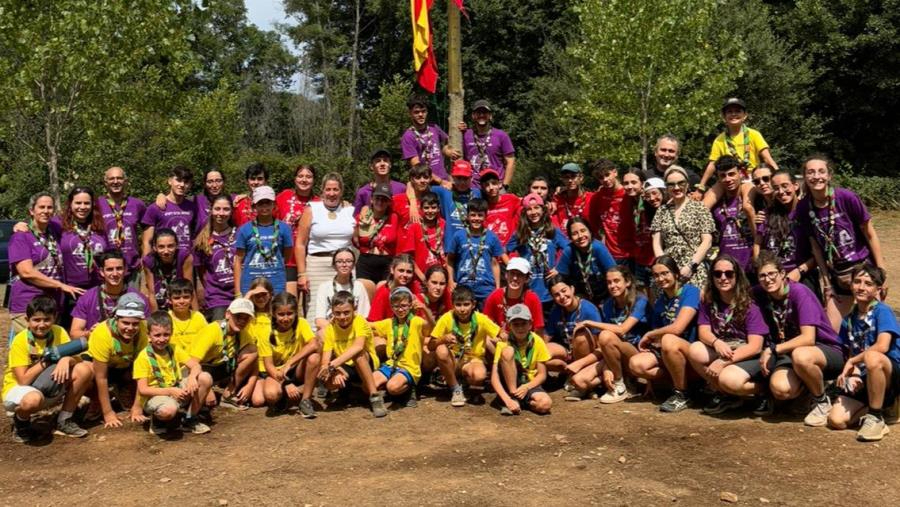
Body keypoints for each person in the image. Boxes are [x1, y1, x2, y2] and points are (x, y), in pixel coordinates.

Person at [745, 252, 845, 425]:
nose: (767, 279)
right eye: (762, 276)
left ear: (782, 274)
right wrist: (706, 294)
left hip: (824, 350)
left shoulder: (799, 293)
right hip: (789, 352)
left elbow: (808, 338)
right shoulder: (760, 293)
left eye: (771, 274)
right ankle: (808, 390)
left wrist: (773, 349)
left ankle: (821, 401)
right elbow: (738, 295)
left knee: (802, 355)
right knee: (781, 390)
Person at [797, 154, 886, 330]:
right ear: (805, 177)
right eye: (811, 172)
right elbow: (816, 247)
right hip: (838, 275)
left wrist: (881, 272)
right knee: (833, 331)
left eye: (821, 171)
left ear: (829, 175)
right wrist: (827, 282)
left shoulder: (846, 197)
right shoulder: (803, 207)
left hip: (863, 270)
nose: (816, 176)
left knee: (872, 328)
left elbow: (870, 233)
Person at [4, 296, 93, 442]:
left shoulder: (59, 332)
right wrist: (48, 360)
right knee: (32, 400)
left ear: (54, 318)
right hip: (21, 389)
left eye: (46, 319)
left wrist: (66, 359)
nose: (42, 324)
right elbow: (23, 380)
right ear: (27, 320)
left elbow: (76, 357)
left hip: (47, 384)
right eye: (36, 320)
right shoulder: (20, 340)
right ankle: (21, 421)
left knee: (84, 369)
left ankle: (64, 420)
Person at [687, 255, 768, 415]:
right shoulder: (708, 301)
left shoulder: (749, 305)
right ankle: (726, 395)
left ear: (737, 276)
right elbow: (704, 332)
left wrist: (723, 362)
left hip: (747, 353)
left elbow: (755, 346)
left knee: (728, 379)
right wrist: (716, 342)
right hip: (723, 346)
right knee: (695, 350)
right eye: (718, 274)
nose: (723, 278)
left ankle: (764, 391)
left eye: (729, 274)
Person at [828, 265, 900, 441]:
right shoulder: (848, 320)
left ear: (878, 289)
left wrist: (853, 362)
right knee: (836, 420)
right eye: (857, 282)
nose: (861, 287)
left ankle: (876, 417)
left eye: (868, 283)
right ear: (851, 285)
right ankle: (884, 406)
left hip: (890, 372)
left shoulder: (882, 311)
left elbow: (882, 346)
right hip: (866, 374)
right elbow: (849, 351)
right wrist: (853, 373)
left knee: (872, 356)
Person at [566, 266, 649, 404]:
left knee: (605, 335)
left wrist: (589, 323)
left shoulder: (640, 300)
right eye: (609, 282)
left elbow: (622, 330)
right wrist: (605, 367)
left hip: (635, 354)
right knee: (579, 380)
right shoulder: (608, 305)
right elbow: (602, 347)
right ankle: (614, 383)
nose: (612, 285)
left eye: (617, 281)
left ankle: (619, 383)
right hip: (613, 356)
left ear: (627, 282)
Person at [629, 255, 701, 412]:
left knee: (669, 339)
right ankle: (682, 383)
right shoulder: (660, 301)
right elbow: (657, 338)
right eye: (656, 275)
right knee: (636, 364)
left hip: (692, 351)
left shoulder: (690, 292)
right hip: (668, 354)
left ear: (676, 273)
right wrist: (649, 380)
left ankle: (682, 394)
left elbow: (678, 328)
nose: (661, 278)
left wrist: (650, 334)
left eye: (665, 273)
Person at [8, 192, 82, 339]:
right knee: (30, 351)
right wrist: (60, 285)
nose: (46, 211)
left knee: (51, 351)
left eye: (49, 207)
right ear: (31, 210)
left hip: (53, 304)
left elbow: (76, 214)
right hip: (28, 305)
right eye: (41, 207)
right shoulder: (21, 237)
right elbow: (26, 272)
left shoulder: (53, 229)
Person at [134, 311, 211, 435]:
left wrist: (191, 377)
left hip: (175, 388)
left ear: (171, 334)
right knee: (168, 410)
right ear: (149, 336)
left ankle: (189, 418)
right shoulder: (143, 358)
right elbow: (143, 390)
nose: (162, 339)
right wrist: (170, 391)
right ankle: (158, 421)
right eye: (157, 335)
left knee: (205, 378)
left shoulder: (174, 349)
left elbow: (195, 365)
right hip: (155, 395)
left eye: (166, 335)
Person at [295, 172, 355, 319]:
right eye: (328, 189)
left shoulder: (350, 210)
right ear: (322, 190)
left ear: (341, 191)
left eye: (336, 189)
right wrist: (302, 274)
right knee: (315, 311)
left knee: (345, 309)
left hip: (345, 265)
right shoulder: (311, 209)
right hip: (317, 266)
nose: (332, 193)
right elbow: (300, 244)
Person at [429, 285, 501, 407]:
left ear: (473, 304)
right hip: (454, 359)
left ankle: (459, 380)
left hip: (473, 359)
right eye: (458, 304)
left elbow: (500, 334)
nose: (462, 309)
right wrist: (443, 339)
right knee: (441, 350)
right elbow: (431, 345)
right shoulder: (447, 318)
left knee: (479, 376)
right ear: (453, 305)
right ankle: (455, 388)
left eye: (466, 304)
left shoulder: (481, 319)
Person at [318, 291, 387, 418]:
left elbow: (358, 346)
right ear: (332, 312)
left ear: (354, 309)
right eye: (337, 313)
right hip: (344, 365)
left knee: (358, 355)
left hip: (366, 362)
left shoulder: (360, 321)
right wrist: (334, 370)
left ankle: (375, 396)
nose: (342, 317)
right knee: (328, 381)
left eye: (346, 312)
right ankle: (346, 391)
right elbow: (325, 360)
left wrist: (332, 365)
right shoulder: (330, 328)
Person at [698, 98, 779, 206]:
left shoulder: (753, 134)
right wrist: (701, 187)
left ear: (745, 115)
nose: (733, 114)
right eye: (729, 112)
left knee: (747, 206)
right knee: (704, 205)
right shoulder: (719, 139)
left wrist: (779, 176)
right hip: (728, 178)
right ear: (724, 117)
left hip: (750, 177)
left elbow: (767, 158)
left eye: (737, 111)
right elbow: (712, 164)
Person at [87, 292, 150, 429]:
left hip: (124, 367)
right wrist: (108, 413)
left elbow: (143, 371)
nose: (130, 328)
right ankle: (97, 400)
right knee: (87, 372)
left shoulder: (143, 330)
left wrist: (137, 406)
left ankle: (123, 389)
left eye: (135, 324)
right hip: (101, 369)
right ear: (116, 318)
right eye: (125, 323)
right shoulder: (102, 334)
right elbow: (101, 377)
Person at [252, 292, 320, 417]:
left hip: (295, 368)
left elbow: (314, 344)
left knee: (314, 357)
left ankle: (305, 400)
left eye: (290, 313)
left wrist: (290, 362)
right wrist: (286, 383)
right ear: (273, 314)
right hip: (276, 373)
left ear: (296, 313)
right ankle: (291, 391)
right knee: (270, 395)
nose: (286, 318)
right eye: (281, 314)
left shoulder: (302, 323)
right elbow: (269, 366)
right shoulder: (266, 331)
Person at [184, 298, 255, 415]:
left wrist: (250, 383)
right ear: (228, 314)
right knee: (205, 401)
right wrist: (208, 388)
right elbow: (192, 362)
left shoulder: (243, 333)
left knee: (252, 350)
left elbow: (254, 360)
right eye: (238, 316)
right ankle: (189, 417)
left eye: (246, 318)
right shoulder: (212, 331)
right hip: (197, 370)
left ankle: (228, 394)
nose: (242, 321)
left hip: (220, 367)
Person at [753, 170, 818, 293]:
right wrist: (760, 269)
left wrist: (800, 271)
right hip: (772, 277)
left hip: (802, 275)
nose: (781, 192)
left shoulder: (807, 212)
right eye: (776, 188)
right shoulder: (767, 214)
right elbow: (757, 244)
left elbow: (818, 251)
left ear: (795, 186)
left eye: (785, 186)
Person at [651, 166, 716, 288]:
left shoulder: (700, 208)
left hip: (694, 270)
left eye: (681, 183)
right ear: (666, 187)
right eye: (671, 184)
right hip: (668, 273)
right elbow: (656, 242)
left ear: (687, 184)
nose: (676, 188)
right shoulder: (661, 211)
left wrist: (691, 266)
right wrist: (664, 268)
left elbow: (707, 241)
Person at [506, 193, 567, 317]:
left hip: (549, 291)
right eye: (529, 209)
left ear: (543, 209)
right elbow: (504, 251)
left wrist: (559, 268)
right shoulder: (520, 233)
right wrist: (514, 270)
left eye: (536, 208)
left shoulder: (552, 231)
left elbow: (569, 249)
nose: (533, 212)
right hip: (528, 290)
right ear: (524, 212)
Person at [70, 251, 150, 339]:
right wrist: (89, 333)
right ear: (101, 272)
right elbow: (74, 334)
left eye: (119, 268)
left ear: (125, 270)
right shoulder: (87, 298)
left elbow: (147, 332)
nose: (115, 274)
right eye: (110, 269)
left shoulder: (139, 299)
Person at [491, 304, 553, 416]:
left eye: (524, 323)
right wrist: (507, 399)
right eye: (516, 324)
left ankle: (520, 402)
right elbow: (494, 377)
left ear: (530, 324)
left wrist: (526, 387)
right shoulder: (503, 343)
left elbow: (542, 374)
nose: (520, 328)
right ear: (509, 326)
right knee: (508, 351)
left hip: (529, 382)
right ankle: (512, 397)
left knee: (545, 404)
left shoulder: (537, 341)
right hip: (508, 381)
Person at [371, 287, 427, 407]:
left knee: (392, 387)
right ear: (391, 307)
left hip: (409, 367)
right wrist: (352, 318)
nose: (400, 309)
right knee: (369, 385)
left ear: (410, 305)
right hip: (392, 364)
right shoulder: (389, 323)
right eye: (396, 306)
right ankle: (392, 387)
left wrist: (425, 310)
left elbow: (432, 328)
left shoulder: (416, 321)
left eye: (404, 306)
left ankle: (409, 389)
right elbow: (369, 325)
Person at [234, 185, 294, 296]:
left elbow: (287, 255)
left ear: (274, 205)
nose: (265, 206)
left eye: (268, 202)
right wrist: (238, 292)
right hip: (250, 284)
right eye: (261, 203)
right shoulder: (244, 229)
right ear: (254, 206)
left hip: (276, 284)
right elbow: (238, 260)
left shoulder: (284, 228)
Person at [543, 276, 603, 387]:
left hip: (588, 355)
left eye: (564, 291)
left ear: (572, 289)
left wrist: (581, 363)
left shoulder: (589, 309)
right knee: (543, 351)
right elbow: (545, 339)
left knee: (581, 335)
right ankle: (567, 373)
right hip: (568, 352)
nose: (562, 297)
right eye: (556, 295)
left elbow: (601, 347)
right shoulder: (556, 311)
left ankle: (581, 373)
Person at [446, 198, 504, 306]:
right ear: (467, 216)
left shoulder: (492, 237)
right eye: (473, 215)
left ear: (485, 216)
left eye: (480, 215)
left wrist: (497, 287)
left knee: (486, 320)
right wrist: (450, 280)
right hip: (464, 287)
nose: (476, 218)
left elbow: (495, 264)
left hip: (486, 289)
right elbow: (450, 259)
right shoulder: (459, 236)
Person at [97, 166, 147, 284]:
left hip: (133, 266)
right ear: (105, 182)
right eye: (112, 179)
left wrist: (144, 255)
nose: (115, 182)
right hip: (107, 267)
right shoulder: (97, 205)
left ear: (126, 181)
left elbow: (148, 229)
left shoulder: (137, 204)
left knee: (132, 301)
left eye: (119, 178)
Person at [275, 164, 319, 296]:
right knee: (289, 303)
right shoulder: (283, 197)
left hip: (309, 260)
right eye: (300, 176)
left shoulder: (319, 203)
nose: (304, 180)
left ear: (314, 180)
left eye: (308, 177)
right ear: (295, 179)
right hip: (286, 259)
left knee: (310, 305)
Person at [193, 195, 237, 321]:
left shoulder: (240, 234)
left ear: (232, 211)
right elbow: (202, 273)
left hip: (239, 293)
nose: (221, 213)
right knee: (220, 335)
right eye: (217, 209)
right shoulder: (202, 240)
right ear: (211, 210)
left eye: (226, 209)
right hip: (217, 298)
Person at [709, 156, 756, 272]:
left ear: (740, 173)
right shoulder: (716, 202)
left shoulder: (752, 197)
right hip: (727, 269)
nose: (728, 179)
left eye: (731, 174)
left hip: (751, 266)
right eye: (723, 176)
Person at [401, 94, 459, 185]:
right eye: (416, 112)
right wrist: (440, 181)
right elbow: (417, 166)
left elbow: (445, 144)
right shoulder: (408, 136)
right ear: (410, 113)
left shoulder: (434, 127)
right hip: (425, 183)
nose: (420, 115)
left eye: (423, 111)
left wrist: (448, 151)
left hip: (444, 178)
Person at [58, 186, 108, 293]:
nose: (82, 207)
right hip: (70, 289)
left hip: (98, 286)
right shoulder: (58, 223)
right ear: (70, 204)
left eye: (86, 203)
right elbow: (38, 225)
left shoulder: (100, 225)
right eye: (78, 203)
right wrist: (22, 225)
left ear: (92, 205)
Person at [556, 217, 616, 303]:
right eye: (575, 233)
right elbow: (561, 278)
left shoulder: (598, 248)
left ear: (590, 232)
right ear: (570, 237)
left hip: (605, 296)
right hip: (580, 298)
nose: (580, 236)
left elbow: (614, 273)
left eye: (583, 231)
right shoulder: (569, 251)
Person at [141, 165, 197, 258]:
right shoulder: (155, 207)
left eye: (186, 182)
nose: (182, 185)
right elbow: (147, 241)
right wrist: (146, 264)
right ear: (170, 181)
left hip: (186, 261)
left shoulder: (193, 207)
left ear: (190, 185)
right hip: (163, 261)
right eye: (178, 180)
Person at [314, 248, 371, 334]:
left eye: (348, 261)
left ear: (353, 265)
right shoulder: (324, 287)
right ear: (334, 265)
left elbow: (364, 317)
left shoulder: (359, 286)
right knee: (321, 333)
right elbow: (319, 320)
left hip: (354, 330)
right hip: (332, 329)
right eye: (339, 261)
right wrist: (339, 331)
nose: (344, 265)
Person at [587, 159, 634, 264]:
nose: (605, 179)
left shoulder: (629, 194)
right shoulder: (597, 198)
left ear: (615, 172)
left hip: (632, 253)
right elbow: (593, 227)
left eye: (607, 174)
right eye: (601, 177)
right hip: (610, 254)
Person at [460, 99, 516, 188]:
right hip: (473, 186)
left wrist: (505, 185)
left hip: (495, 186)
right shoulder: (465, 134)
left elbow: (510, 161)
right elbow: (449, 148)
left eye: (485, 112)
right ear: (473, 116)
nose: (481, 115)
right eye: (478, 113)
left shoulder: (501, 135)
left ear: (490, 116)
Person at [483, 257, 545, 334]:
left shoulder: (532, 298)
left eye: (520, 275)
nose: (515, 278)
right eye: (512, 273)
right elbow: (485, 325)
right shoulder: (495, 296)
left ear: (526, 279)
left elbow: (538, 329)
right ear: (506, 275)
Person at [353, 182, 400, 284]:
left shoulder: (394, 217)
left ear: (389, 202)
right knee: (365, 296)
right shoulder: (362, 217)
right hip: (366, 261)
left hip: (386, 263)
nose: (380, 202)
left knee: (383, 294)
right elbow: (354, 240)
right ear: (371, 199)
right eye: (377, 198)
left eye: (384, 199)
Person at [625, 172, 664, 291]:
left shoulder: (663, 208)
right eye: (626, 183)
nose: (630, 186)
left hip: (656, 259)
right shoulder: (633, 202)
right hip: (640, 259)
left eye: (634, 182)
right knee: (642, 295)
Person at [424, 159, 482, 241]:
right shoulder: (444, 191)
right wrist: (412, 202)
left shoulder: (477, 193)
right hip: (451, 243)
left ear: (471, 178)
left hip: (472, 242)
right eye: (458, 178)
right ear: (452, 177)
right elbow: (416, 185)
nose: (462, 182)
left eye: (465, 178)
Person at [142, 228, 191, 312]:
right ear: (154, 247)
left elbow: (189, 287)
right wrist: (157, 318)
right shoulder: (149, 261)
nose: (166, 251)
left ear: (177, 245)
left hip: (180, 301)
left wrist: (196, 314)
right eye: (161, 247)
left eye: (170, 246)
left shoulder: (184, 257)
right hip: (160, 300)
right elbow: (152, 293)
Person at [402, 191, 447, 283]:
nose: (430, 211)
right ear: (421, 209)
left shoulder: (444, 224)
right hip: (420, 279)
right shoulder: (415, 227)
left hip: (441, 278)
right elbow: (409, 257)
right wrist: (422, 277)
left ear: (439, 208)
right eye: (426, 208)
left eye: (433, 208)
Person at [353, 148, 408, 215]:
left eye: (385, 160)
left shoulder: (401, 188)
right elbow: (356, 218)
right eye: (378, 161)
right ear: (371, 167)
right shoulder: (363, 192)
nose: (382, 164)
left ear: (390, 165)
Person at [368, 255, 421, 322]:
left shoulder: (415, 289)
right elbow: (374, 321)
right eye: (401, 270)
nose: (405, 275)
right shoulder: (384, 292)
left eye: (409, 272)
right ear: (392, 270)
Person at [166, 279, 208, 356]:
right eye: (177, 298)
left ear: (192, 298)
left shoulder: (198, 317)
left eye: (186, 297)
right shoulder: (166, 319)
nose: (182, 301)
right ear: (169, 300)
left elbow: (206, 341)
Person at [480, 168, 520, 247]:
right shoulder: (482, 205)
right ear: (483, 188)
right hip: (490, 250)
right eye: (487, 185)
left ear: (500, 184)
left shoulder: (511, 199)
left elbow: (527, 204)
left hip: (509, 250)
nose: (491, 187)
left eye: (494, 183)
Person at [552, 163, 593, 236]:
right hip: (564, 243)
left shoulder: (591, 198)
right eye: (566, 177)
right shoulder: (558, 198)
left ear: (581, 178)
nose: (570, 180)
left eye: (573, 176)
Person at [232, 163, 268, 227]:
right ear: (247, 181)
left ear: (265, 181)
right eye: (252, 179)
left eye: (260, 179)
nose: (256, 182)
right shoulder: (239, 203)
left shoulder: (273, 203)